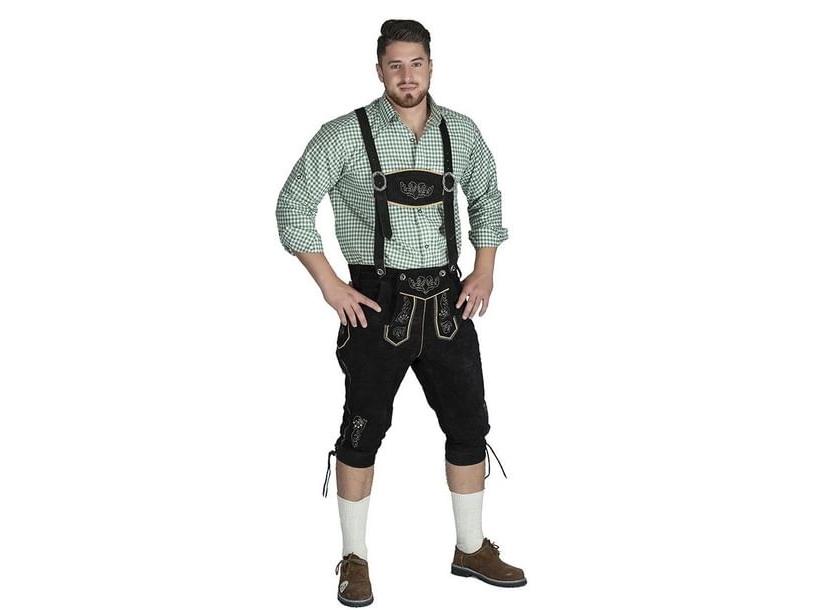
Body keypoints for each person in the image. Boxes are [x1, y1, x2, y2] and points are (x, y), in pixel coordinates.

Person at [276, 19, 526, 607]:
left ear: (431, 66)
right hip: (375, 303)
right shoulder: (343, 134)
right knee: (361, 430)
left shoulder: (460, 131)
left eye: (416, 64)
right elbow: (292, 208)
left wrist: (485, 268)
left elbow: (487, 197)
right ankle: (354, 559)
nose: (407, 76)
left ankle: (471, 549)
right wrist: (331, 285)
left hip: (447, 302)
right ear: (379, 69)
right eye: (395, 65)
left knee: (469, 425)